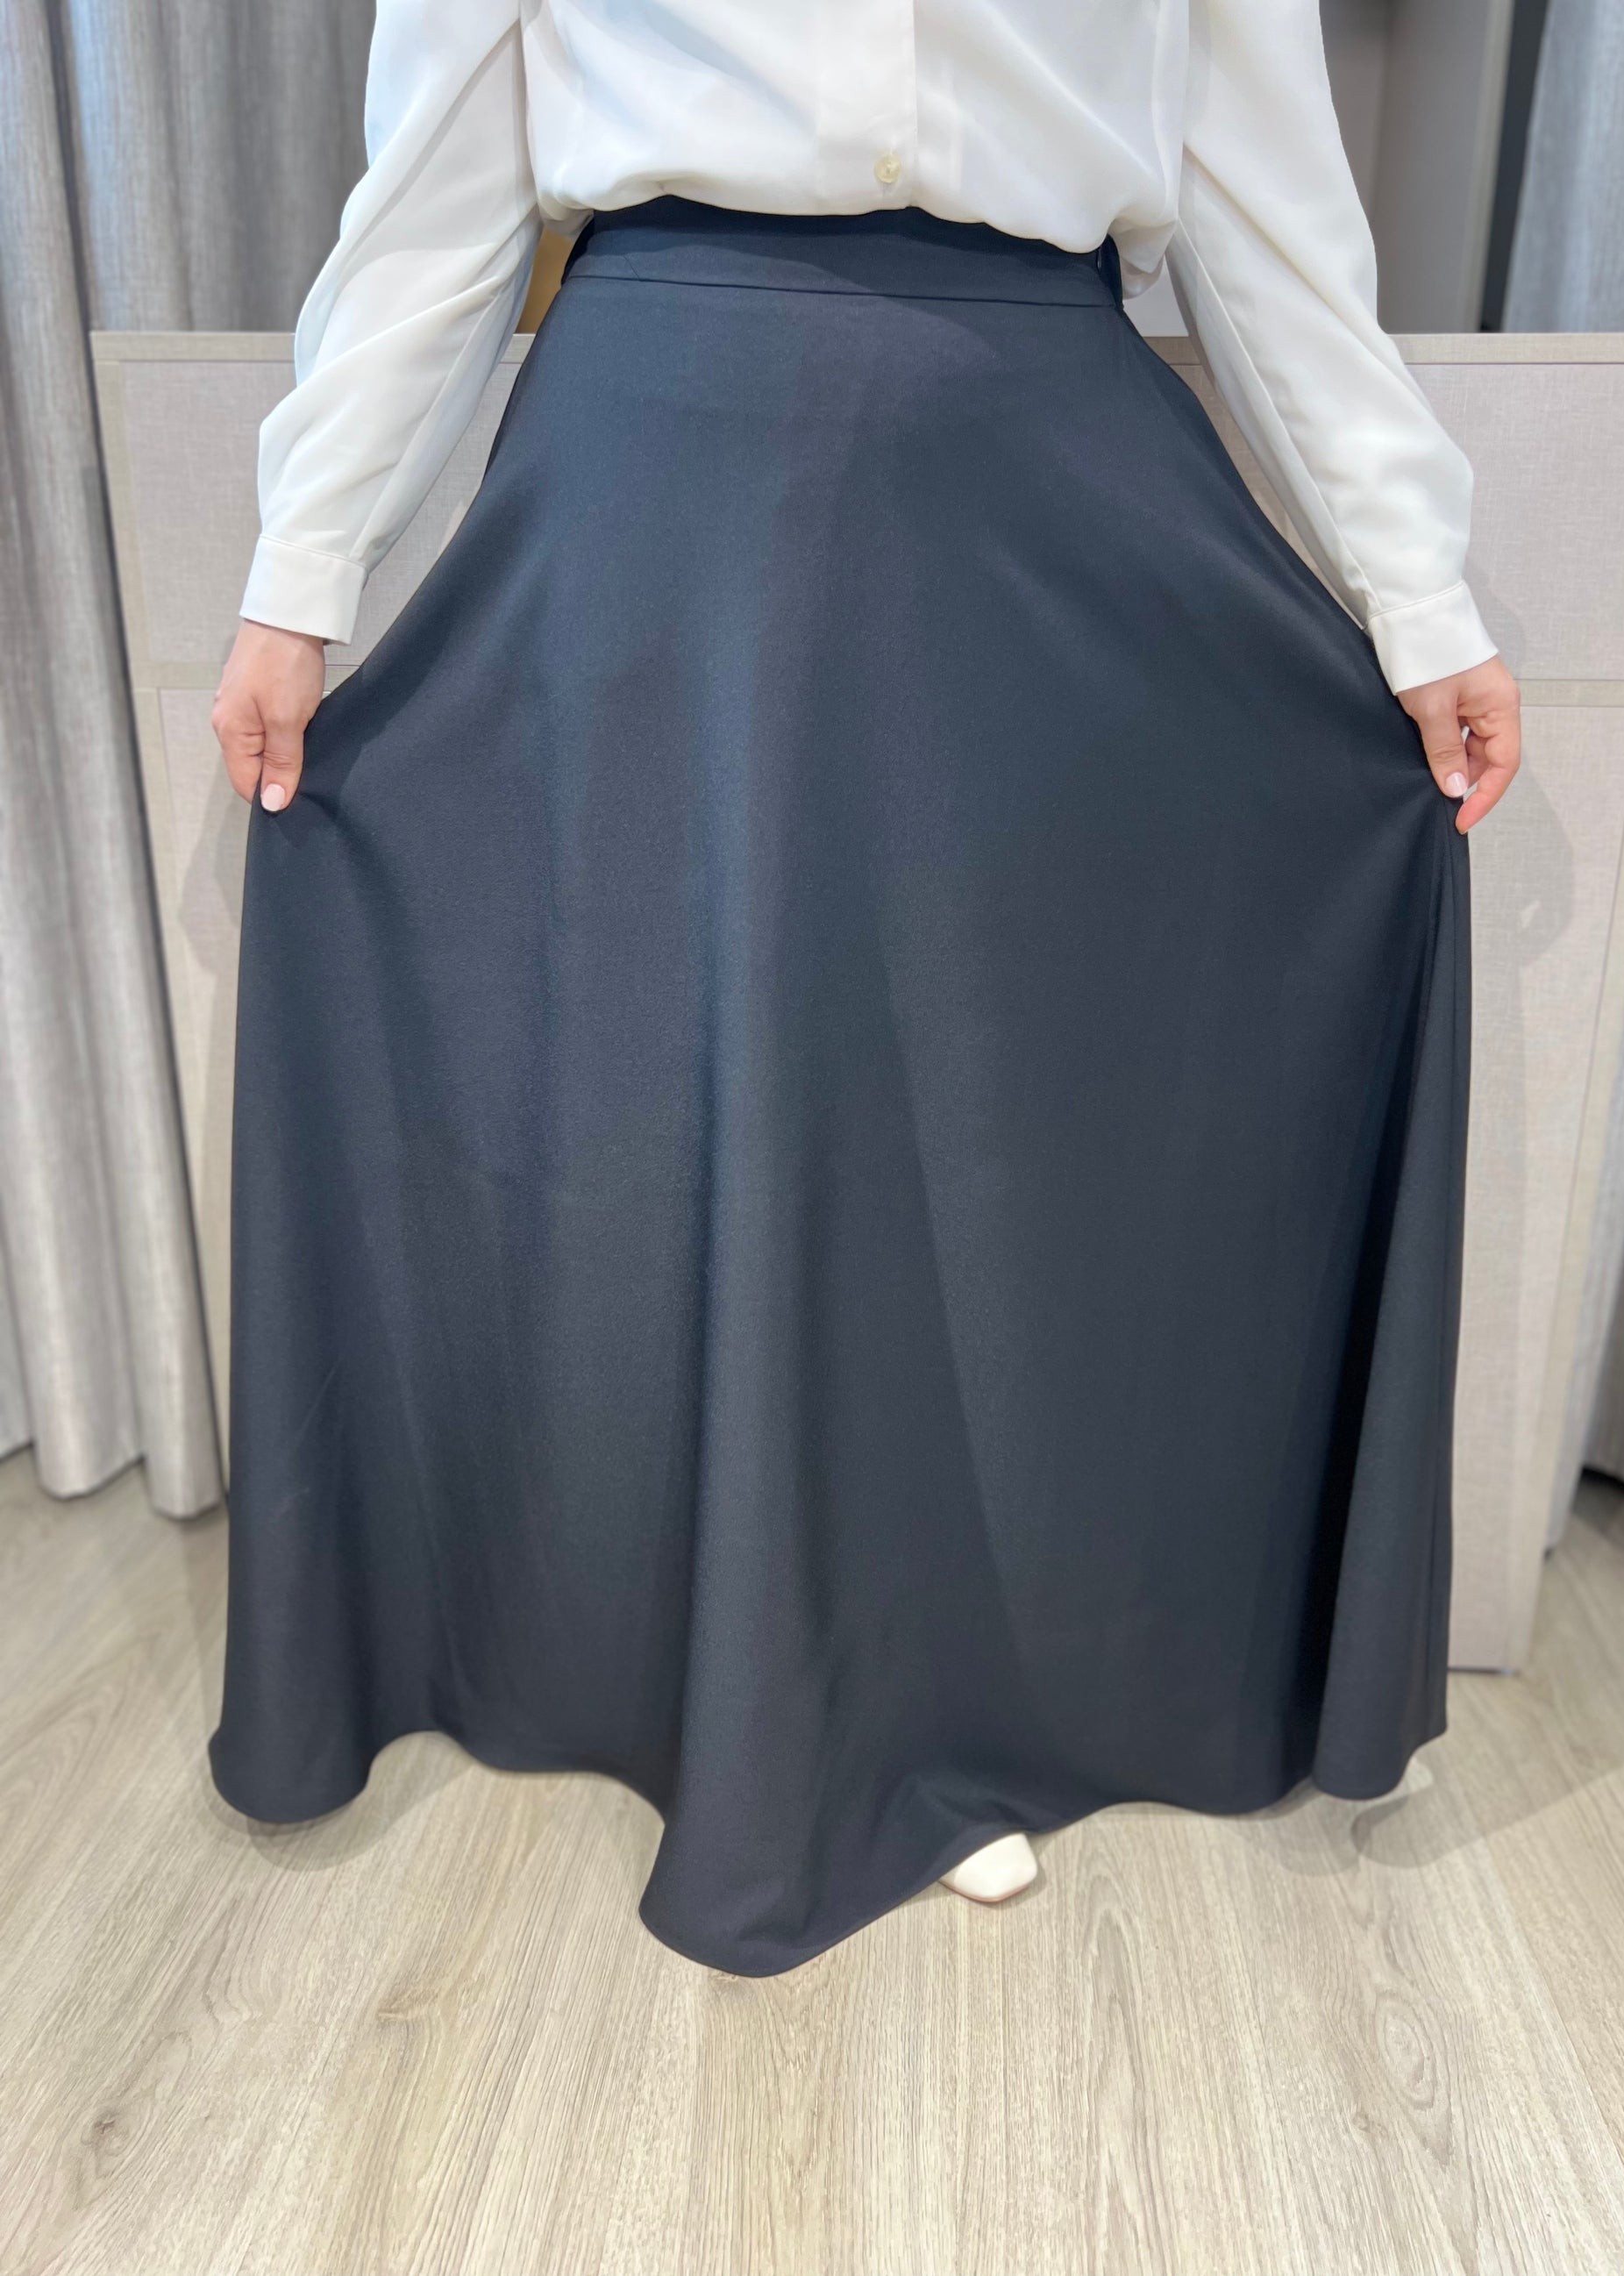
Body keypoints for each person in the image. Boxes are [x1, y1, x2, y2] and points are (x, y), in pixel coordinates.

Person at [207, 0, 1521, 1977]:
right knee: (691, 1104)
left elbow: (1267, 210)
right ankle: (699, 1683)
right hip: (658, 452)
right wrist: (300, 573)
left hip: (1032, 465)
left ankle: (933, 1699)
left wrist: (1416, 593)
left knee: (972, 1137)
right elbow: (439, 197)